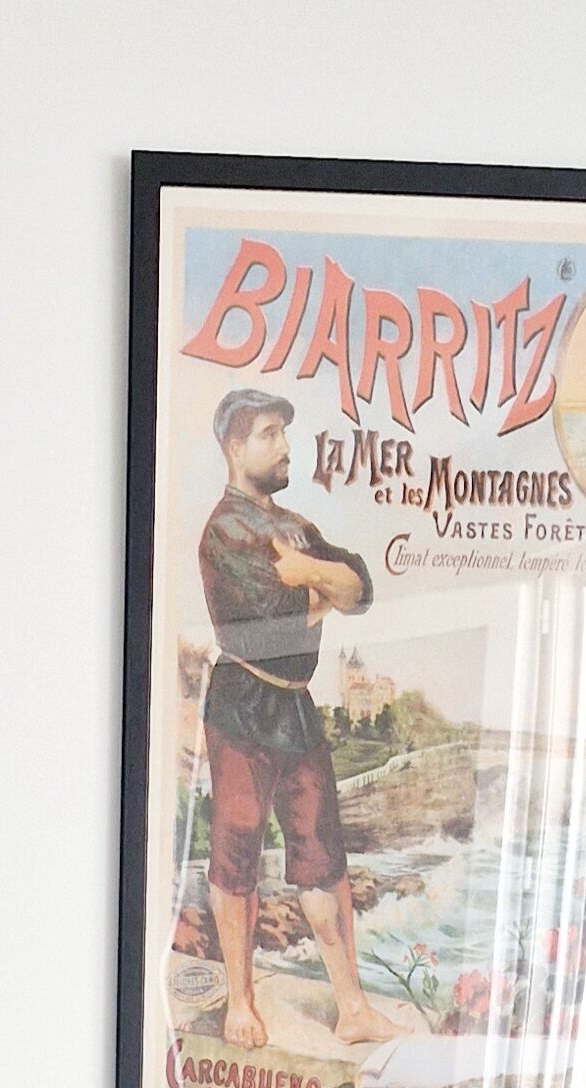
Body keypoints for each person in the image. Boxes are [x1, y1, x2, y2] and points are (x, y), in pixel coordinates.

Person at [197, 388, 391, 1051]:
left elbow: (360, 583)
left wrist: (310, 572)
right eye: (270, 434)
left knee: (323, 856)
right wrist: (320, 592)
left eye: (284, 433)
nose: (285, 447)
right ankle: (240, 1003)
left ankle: (354, 1006)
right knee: (237, 852)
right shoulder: (223, 532)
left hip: (295, 708)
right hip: (242, 704)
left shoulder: (297, 529)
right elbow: (270, 624)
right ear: (235, 447)